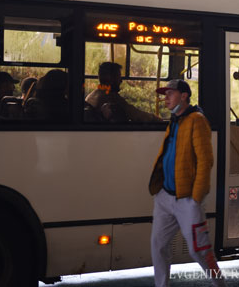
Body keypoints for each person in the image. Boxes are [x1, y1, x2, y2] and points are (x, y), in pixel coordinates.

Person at [148, 79, 224, 287]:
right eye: (165, 94)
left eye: (170, 94)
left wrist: (196, 197)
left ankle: (220, 284)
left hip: (186, 199)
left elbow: (205, 160)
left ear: (184, 96)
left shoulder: (196, 120)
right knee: (158, 245)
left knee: (199, 250)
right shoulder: (175, 119)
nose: (166, 98)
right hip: (165, 196)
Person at [84, 62, 161, 122]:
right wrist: (155, 119)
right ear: (110, 79)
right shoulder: (111, 97)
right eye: (118, 77)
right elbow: (135, 115)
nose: (121, 81)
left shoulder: (92, 95)